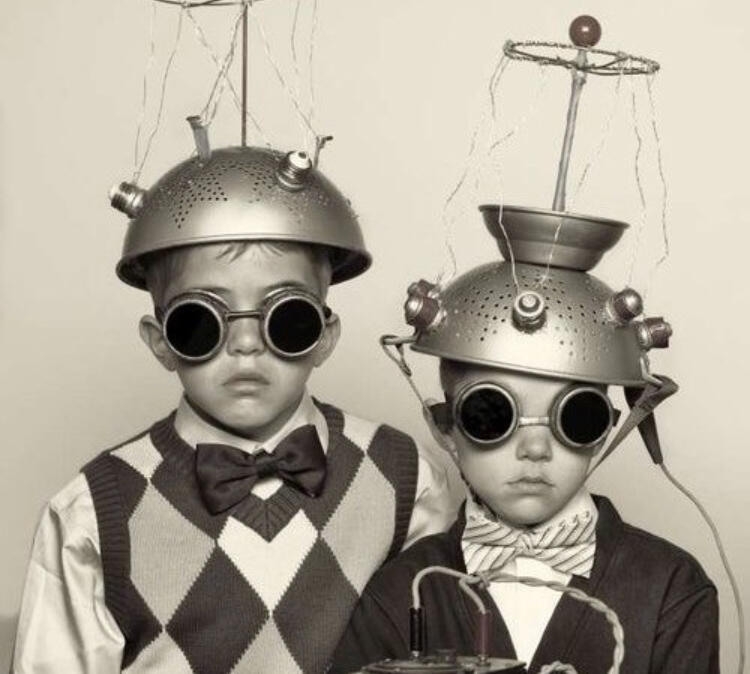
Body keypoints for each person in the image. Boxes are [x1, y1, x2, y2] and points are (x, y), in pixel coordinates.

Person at [11, 143, 456, 674]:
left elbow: (444, 648)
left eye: (286, 318)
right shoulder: (91, 511)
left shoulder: (405, 479)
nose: (246, 345)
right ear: (160, 341)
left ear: (325, 335)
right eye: (200, 322)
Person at [331, 228, 719, 673]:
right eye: (492, 414)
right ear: (445, 427)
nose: (535, 449)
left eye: (575, 417)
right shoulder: (401, 591)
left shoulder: (672, 588)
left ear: (605, 430)